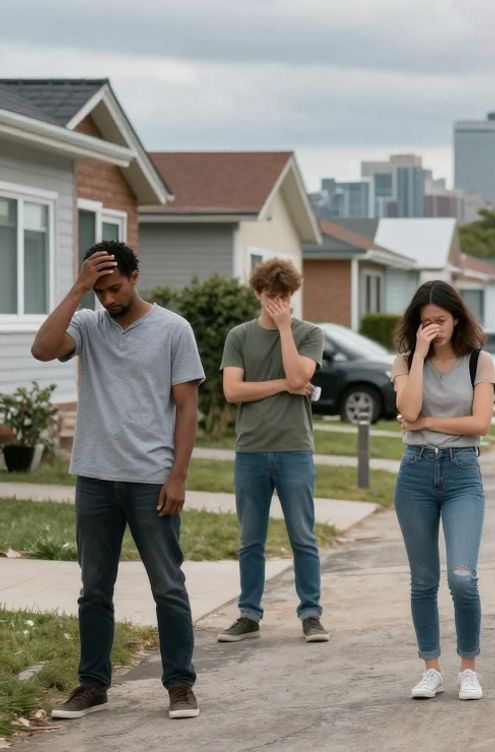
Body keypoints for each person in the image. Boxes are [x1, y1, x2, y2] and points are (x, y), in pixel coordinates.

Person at [31, 242, 204, 720]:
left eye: (115, 288)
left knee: (168, 586)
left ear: (135, 276)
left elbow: (187, 408)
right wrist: (78, 288)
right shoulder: (87, 324)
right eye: (100, 291)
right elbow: (42, 350)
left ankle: (180, 685)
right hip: (95, 478)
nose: (108, 299)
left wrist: (177, 476)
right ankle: (93, 685)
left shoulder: (174, 329)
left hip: (151, 480)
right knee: (94, 589)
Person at [390, 281, 495, 702]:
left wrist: (426, 424)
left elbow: (480, 424)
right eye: (425, 322)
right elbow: (409, 408)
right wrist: (418, 354)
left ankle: (468, 668)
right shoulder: (404, 362)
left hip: (462, 472)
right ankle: (431, 669)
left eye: (441, 320)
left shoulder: (479, 362)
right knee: (423, 580)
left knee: (462, 578)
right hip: (414, 473)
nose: (434, 328)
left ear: (457, 318)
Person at [217, 258, 329, 645]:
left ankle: (311, 614)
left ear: (292, 295)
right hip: (250, 450)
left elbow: (301, 376)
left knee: (302, 537)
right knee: (251, 539)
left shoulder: (309, 333)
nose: (276, 303)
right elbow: (233, 391)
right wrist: (283, 385)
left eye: (283, 296)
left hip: (295, 449)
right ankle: (248, 615)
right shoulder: (239, 336)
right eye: (269, 295)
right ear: (257, 293)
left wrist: (284, 329)